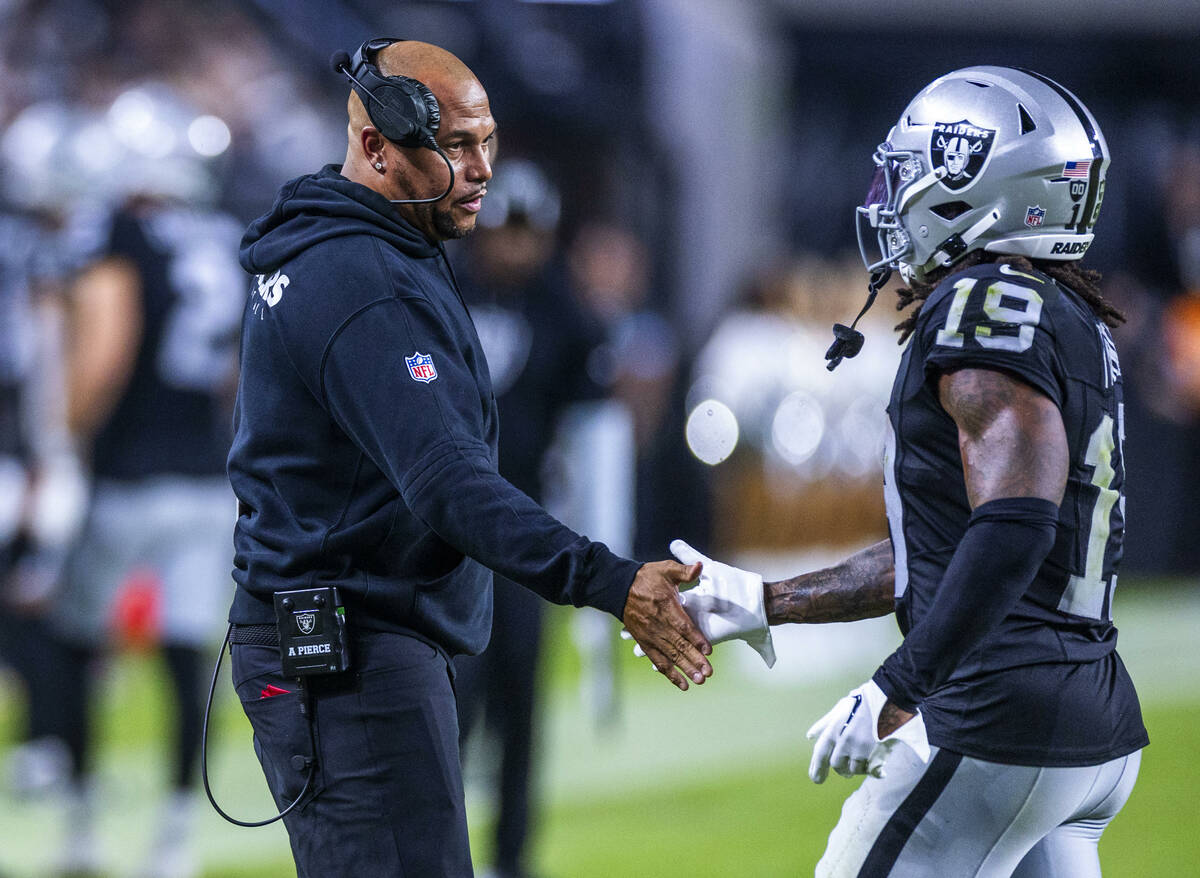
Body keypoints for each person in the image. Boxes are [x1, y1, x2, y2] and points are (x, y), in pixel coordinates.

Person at [226, 38, 712, 878]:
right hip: (353, 649)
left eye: (487, 141)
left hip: (344, 634)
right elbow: (447, 483)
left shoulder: (362, 251)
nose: (483, 168)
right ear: (376, 147)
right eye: (454, 144)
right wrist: (608, 580)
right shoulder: (361, 278)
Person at [665, 66, 1147, 877]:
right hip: (1082, 724)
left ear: (972, 181)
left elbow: (1013, 526)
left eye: (912, 170)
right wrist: (769, 601)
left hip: (997, 718)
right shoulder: (1063, 314)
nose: (894, 199)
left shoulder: (983, 305)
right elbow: (949, 547)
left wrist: (897, 684)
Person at [48, 87, 245, 878]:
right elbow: (237, 368)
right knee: (185, 654)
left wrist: (61, 438)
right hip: (206, 479)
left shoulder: (116, 232)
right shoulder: (225, 235)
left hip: (125, 476)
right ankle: (173, 838)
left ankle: (82, 826)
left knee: (70, 644)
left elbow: (104, 348)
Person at [453, 158, 616, 878]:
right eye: (504, 232)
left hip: (521, 539)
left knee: (519, 704)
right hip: (442, 536)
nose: (515, 248)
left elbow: (591, 441)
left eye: (528, 233)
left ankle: (511, 859)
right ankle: (438, 854)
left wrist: (598, 543)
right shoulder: (438, 291)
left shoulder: (566, 315)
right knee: (446, 702)